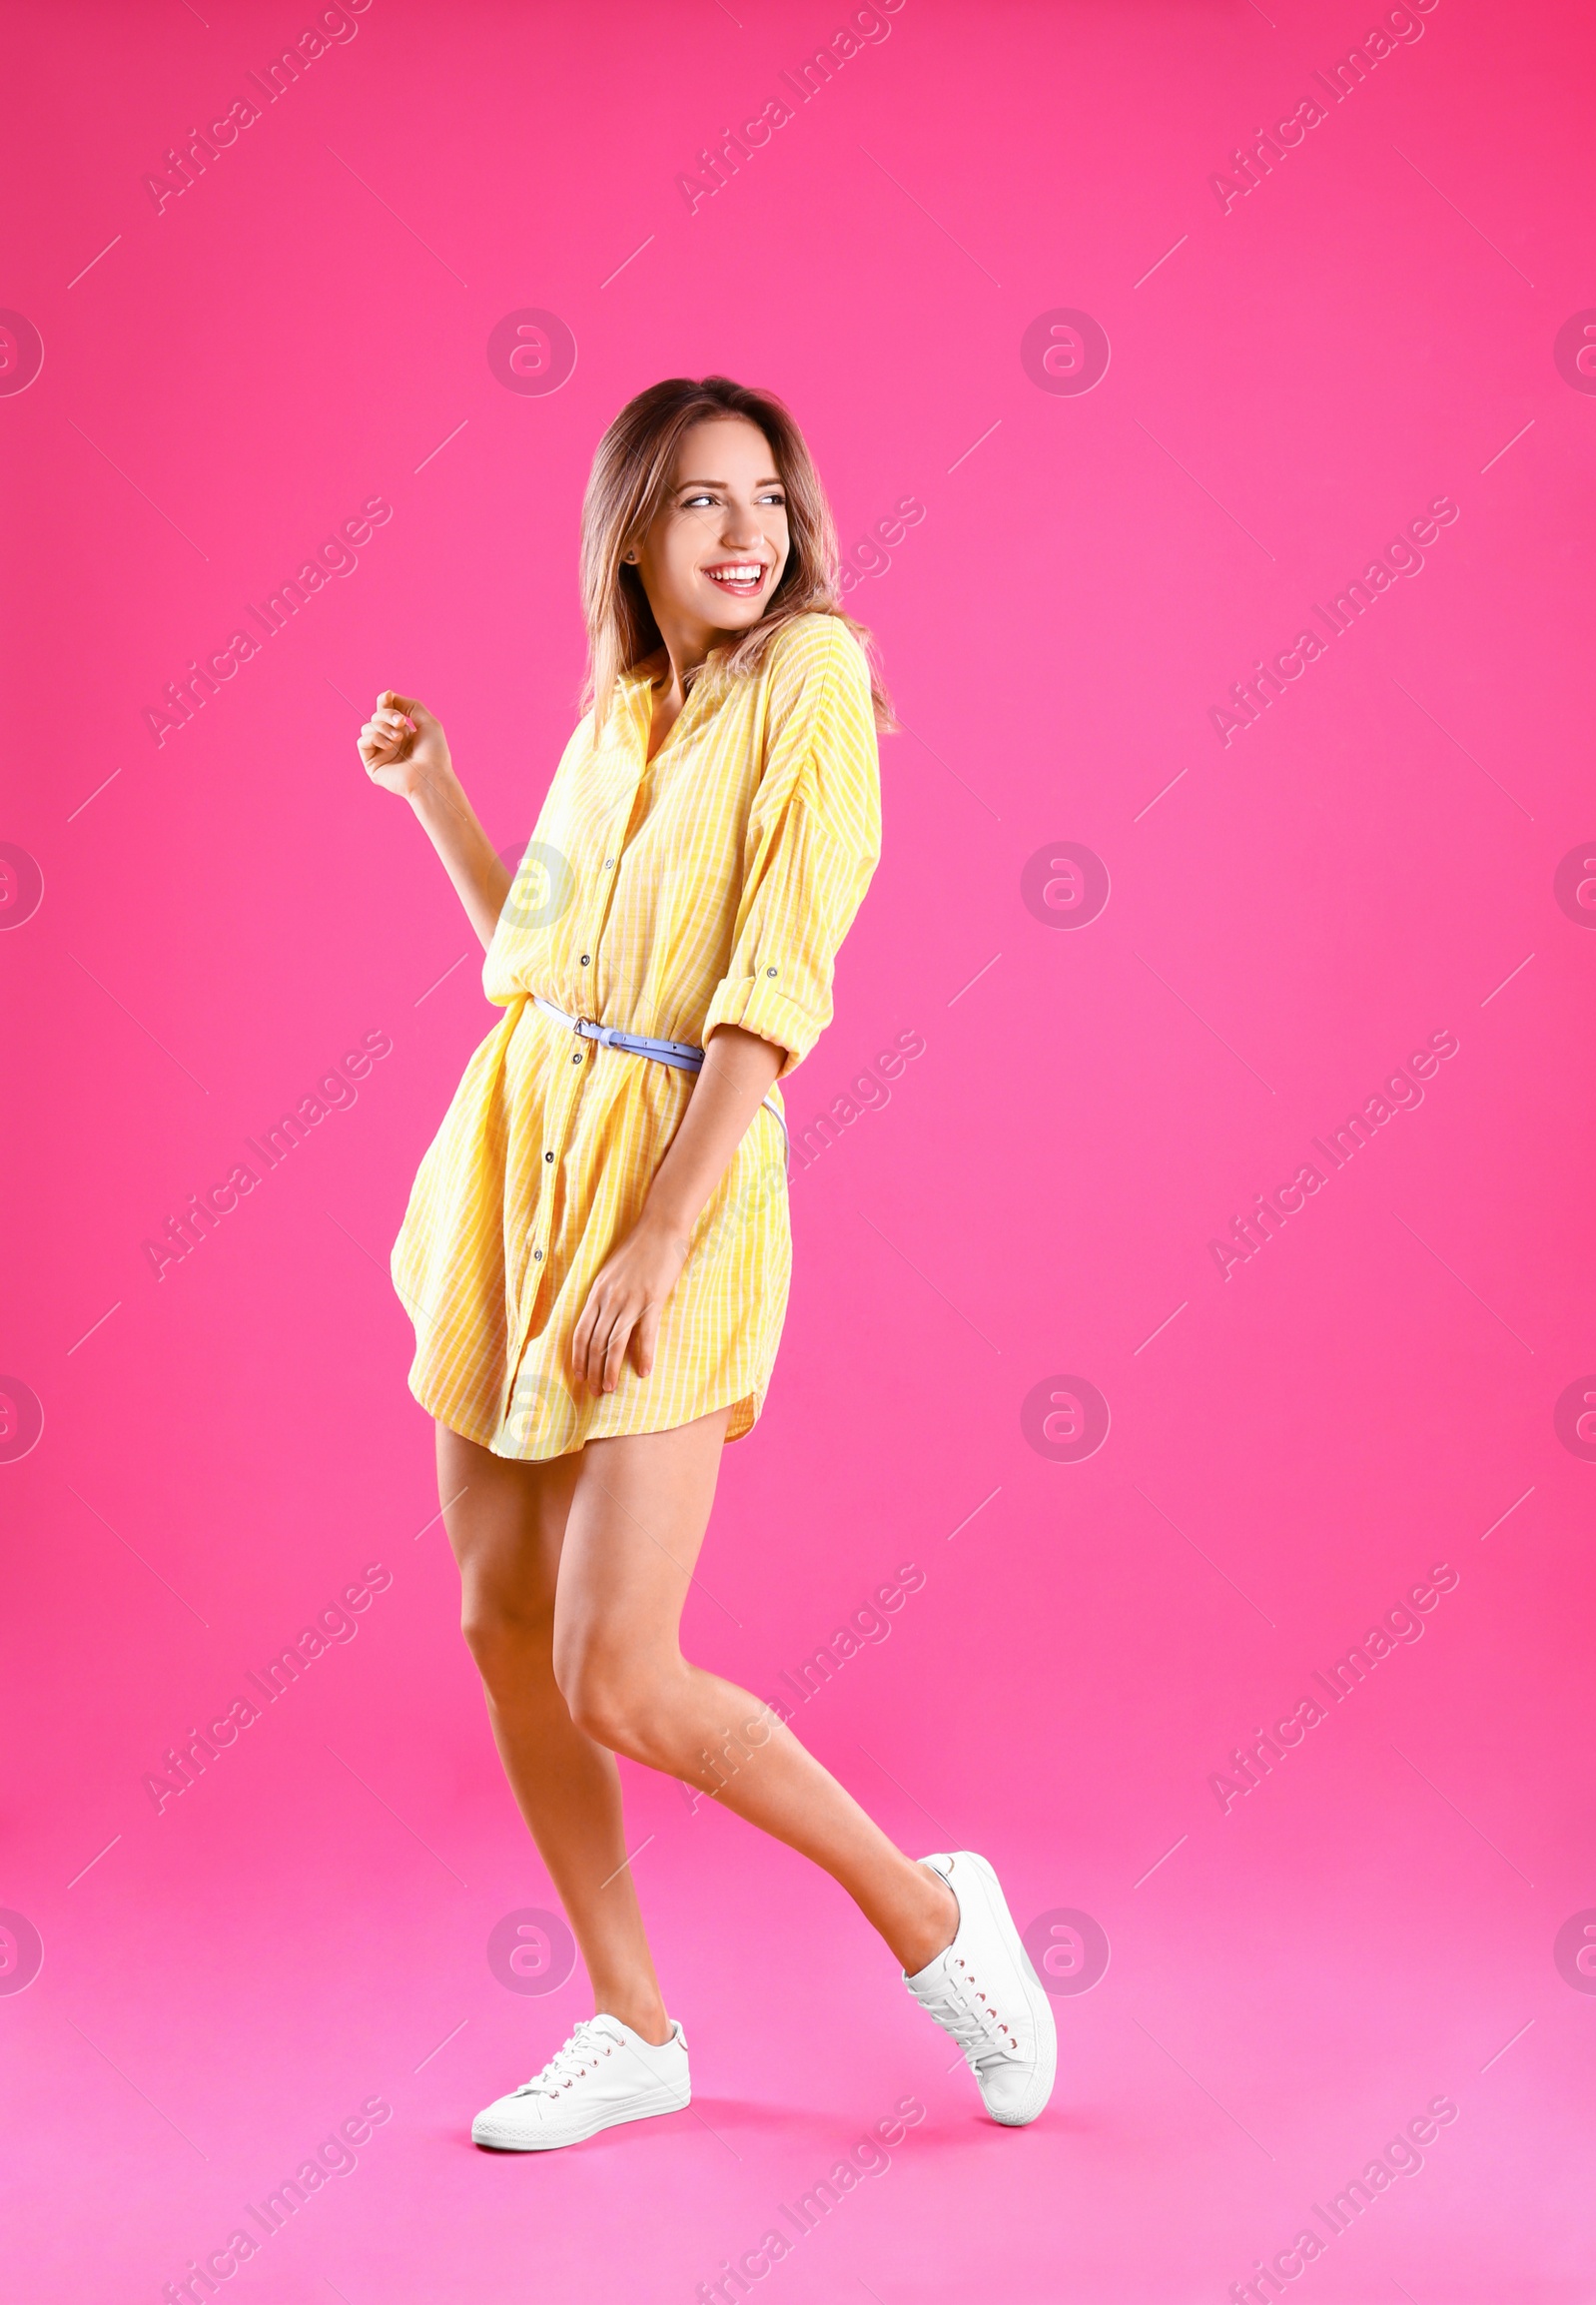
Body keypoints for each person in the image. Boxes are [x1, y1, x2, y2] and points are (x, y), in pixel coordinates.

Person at [361, 375, 1055, 2150]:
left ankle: (933, 1917)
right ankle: (634, 2025)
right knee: (498, 1624)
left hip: (678, 1179)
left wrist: (663, 1236)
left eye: (765, 497)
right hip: (519, 1162)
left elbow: (777, 975)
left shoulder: (814, 678)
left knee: (617, 1665)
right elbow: (541, 960)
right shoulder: (625, 703)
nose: (745, 533)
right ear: (632, 535)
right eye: (698, 503)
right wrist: (439, 792)